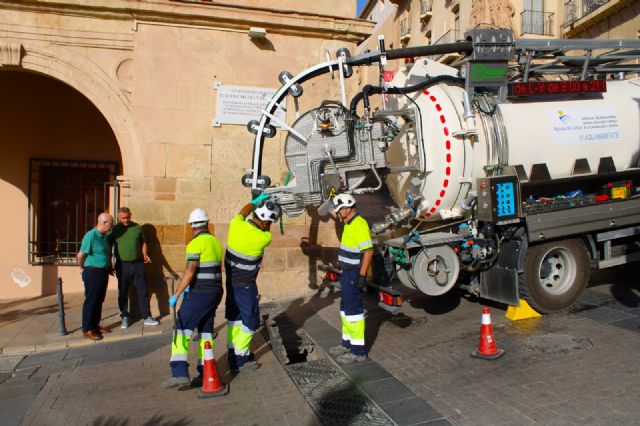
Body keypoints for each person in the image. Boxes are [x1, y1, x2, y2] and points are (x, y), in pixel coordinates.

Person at [162, 208, 225, 389]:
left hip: (200, 293)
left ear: (192, 226)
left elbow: (190, 271)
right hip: (215, 292)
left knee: (181, 328)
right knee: (206, 331)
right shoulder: (215, 242)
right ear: (207, 223)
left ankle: (179, 372)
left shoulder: (195, 244)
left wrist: (176, 294)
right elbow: (209, 268)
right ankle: (206, 371)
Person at [225, 194, 280, 373]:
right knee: (249, 320)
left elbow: (242, 212)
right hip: (246, 285)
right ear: (265, 222)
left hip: (230, 282)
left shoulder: (235, 224)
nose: (269, 226)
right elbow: (266, 233)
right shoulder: (264, 238)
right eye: (270, 223)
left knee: (234, 317)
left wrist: (256, 201)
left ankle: (232, 353)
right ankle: (242, 358)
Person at [328, 194, 373, 364]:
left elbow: (368, 251)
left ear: (346, 210)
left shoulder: (359, 225)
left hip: (354, 274)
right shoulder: (349, 223)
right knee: (345, 311)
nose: (338, 214)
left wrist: (362, 276)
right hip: (347, 274)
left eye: (339, 211)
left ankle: (358, 351)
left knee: (354, 313)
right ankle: (347, 344)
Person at [108, 207, 159, 328]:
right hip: (122, 265)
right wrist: (109, 263)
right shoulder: (115, 230)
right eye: (124, 218)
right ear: (119, 218)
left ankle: (147, 316)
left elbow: (143, 242)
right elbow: (108, 245)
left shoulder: (137, 227)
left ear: (130, 215)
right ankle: (124, 316)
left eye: (128, 217)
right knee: (123, 292)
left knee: (143, 290)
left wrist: (145, 254)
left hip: (138, 264)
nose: (126, 220)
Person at [77, 212, 114, 341]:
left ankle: (95, 325)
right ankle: (87, 329)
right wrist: (82, 268)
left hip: (102, 271)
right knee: (91, 300)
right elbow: (81, 255)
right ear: (104, 223)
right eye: (111, 223)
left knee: (99, 300)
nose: (112, 225)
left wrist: (108, 266)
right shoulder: (91, 235)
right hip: (92, 272)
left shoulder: (104, 236)